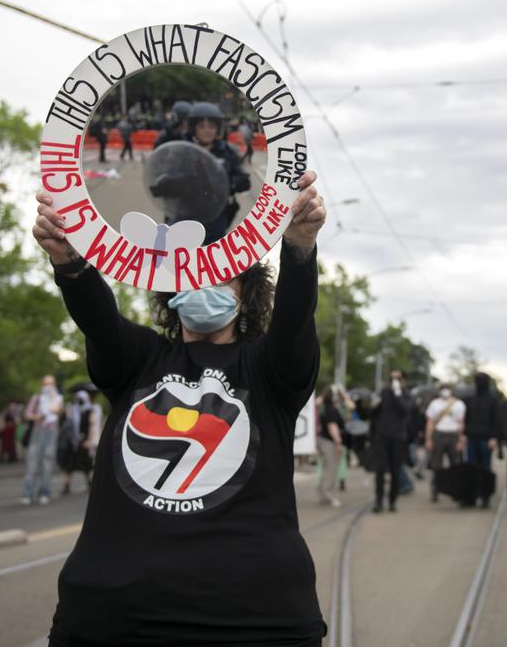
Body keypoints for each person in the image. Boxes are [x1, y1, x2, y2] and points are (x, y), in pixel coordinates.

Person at [31, 165, 327, 646]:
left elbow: (295, 322)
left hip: (254, 624)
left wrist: (298, 249)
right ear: (170, 288)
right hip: (111, 619)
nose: (205, 283)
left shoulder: (269, 370)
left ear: (247, 295)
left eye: (222, 276)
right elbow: (98, 317)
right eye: (193, 270)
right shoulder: (139, 359)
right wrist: (70, 262)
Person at [186, 101, 252, 243]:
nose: (207, 130)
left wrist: (231, 182)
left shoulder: (228, 153)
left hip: (216, 216)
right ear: (194, 128)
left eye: (211, 126)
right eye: (202, 126)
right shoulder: (184, 152)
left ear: (218, 129)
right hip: (186, 214)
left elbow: (244, 182)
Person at [371, 372, 412, 513]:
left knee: (395, 470)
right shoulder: (384, 392)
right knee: (380, 470)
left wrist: (398, 393)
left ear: (403, 380)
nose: (394, 381)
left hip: (398, 437)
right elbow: (373, 413)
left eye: (398, 379)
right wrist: (375, 404)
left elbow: (405, 410)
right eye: (392, 379)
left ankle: (392, 501)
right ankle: (378, 501)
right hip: (382, 436)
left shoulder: (405, 394)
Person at [21, 375, 63, 505]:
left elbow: (60, 412)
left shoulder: (58, 398)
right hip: (38, 431)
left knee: (47, 462)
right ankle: (28, 492)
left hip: (51, 432)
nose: (48, 387)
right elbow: (27, 414)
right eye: (46, 384)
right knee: (32, 462)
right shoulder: (37, 398)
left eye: (51, 384)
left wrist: (55, 403)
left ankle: (45, 492)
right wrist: (36, 416)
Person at [464, 372, 503, 507]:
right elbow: (466, 418)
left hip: (486, 439)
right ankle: (471, 497)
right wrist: (464, 435)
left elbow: (497, 420)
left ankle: (485, 497)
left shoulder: (493, 399)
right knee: (471, 468)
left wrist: (494, 437)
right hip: (472, 438)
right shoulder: (471, 399)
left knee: (485, 468)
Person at [424, 380, 466, 504]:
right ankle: (435, 490)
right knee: (436, 465)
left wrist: (460, 439)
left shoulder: (458, 404)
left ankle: (455, 491)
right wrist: (428, 439)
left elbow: (461, 423)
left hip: (453, 435)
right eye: (443, 388)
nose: (445, 390)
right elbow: (430, 422)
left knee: (455, 465)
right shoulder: (434, 404)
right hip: (438, 434)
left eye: (447, 388)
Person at [59, 389, 101, 495]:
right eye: (78, 399)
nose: (79, 401)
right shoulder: (72, 411)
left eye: (81, 399)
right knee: (69, 465)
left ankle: (90, 483)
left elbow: (92, 426)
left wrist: (89, 440)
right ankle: (67, 485)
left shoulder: (89, 411)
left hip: (83, 441)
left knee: (86, 464)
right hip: (73, 442)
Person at [317, 387, 345, 507]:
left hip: (324, 440)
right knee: (331, 468)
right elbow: (332, 426)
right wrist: (338, 442)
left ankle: (324, 494)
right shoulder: (331, 409)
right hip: (329, 442)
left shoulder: (325, 407)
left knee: (327, 468)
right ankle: (326, 494)